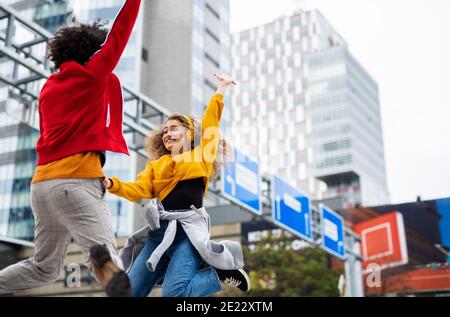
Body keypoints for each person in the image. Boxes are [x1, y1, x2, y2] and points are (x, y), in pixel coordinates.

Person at [0, 0, 142, 297]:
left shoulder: (49, 87)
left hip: (42, 187)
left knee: (44, 266)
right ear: (93, 52)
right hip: (76, 180)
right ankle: (104, 262)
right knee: (109, 261)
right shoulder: (92, 75)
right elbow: (120, 34)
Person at [104, 73, 251, 297]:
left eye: (173, 128)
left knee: (173, 296)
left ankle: (217, 273)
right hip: (159, 234)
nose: (167, 133)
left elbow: (211, 121)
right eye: (164, 131)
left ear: (189, 133)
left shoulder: (202, 155)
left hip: (189, 233)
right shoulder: (156, 165)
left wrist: (221, 90)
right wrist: (110, 183)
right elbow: (138, 190)